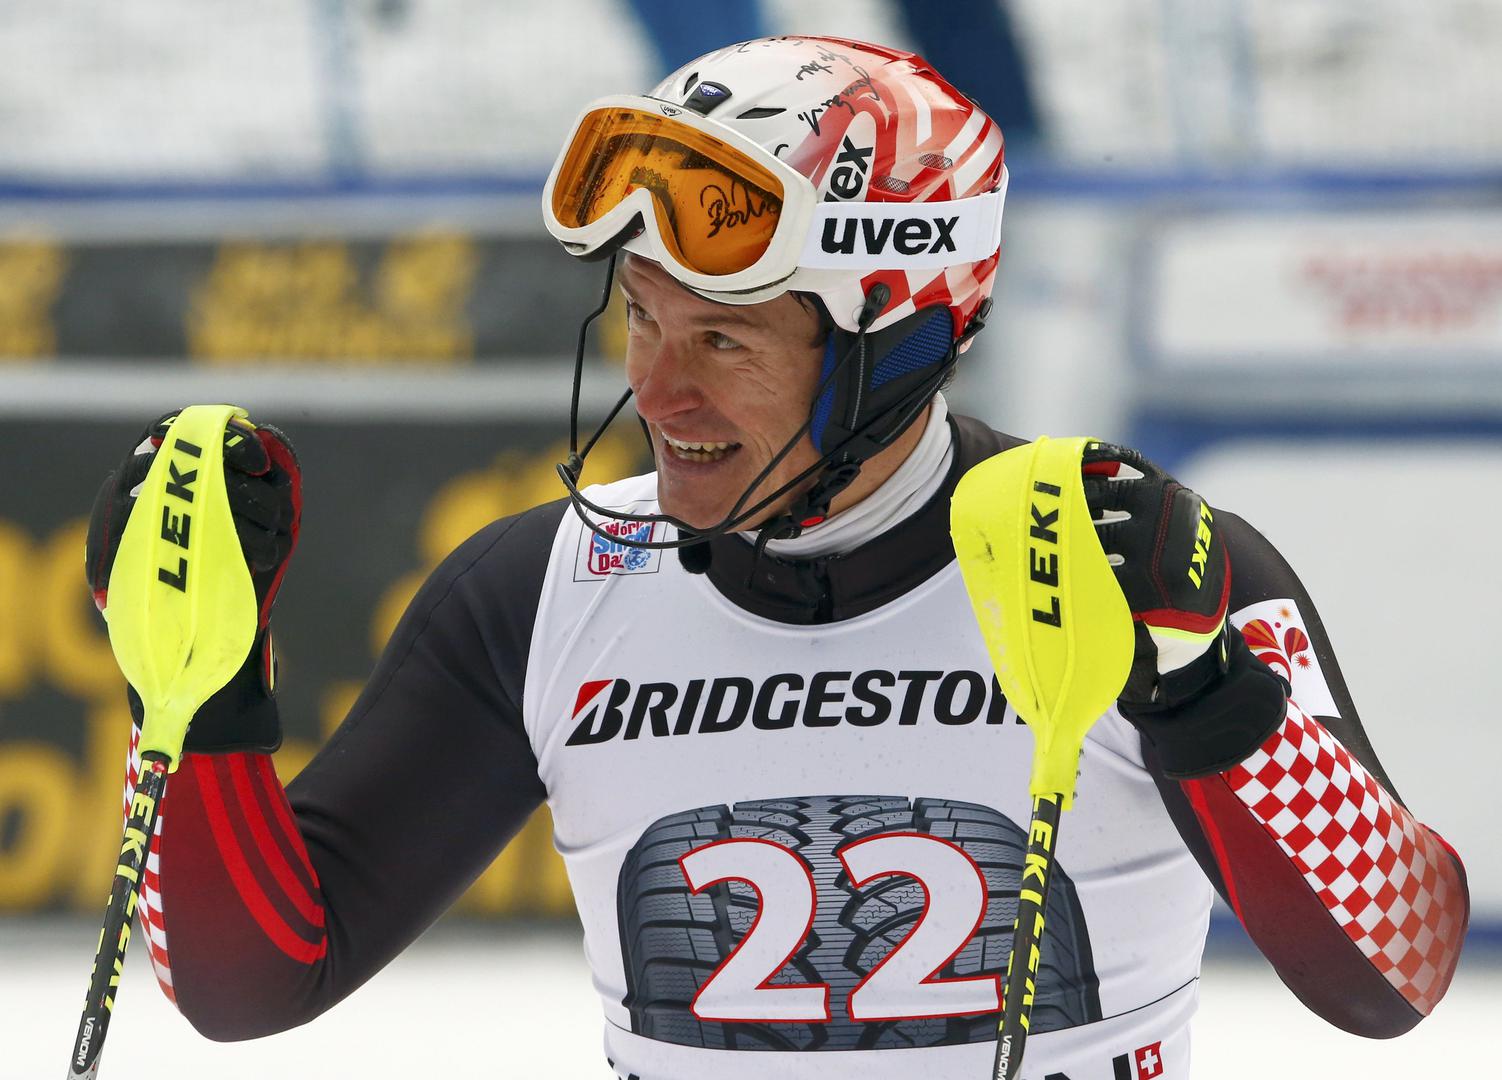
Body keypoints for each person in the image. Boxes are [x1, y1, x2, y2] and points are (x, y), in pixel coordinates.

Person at [87, 37, 1466, 1080]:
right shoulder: (540, 589)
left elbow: (1394, 972)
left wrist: (1209, 700)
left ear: (897, 344)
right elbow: (250, 984)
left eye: (724, 339)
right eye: (642, 319)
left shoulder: (1115, 561)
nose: (658, 393)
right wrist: (192, 696)